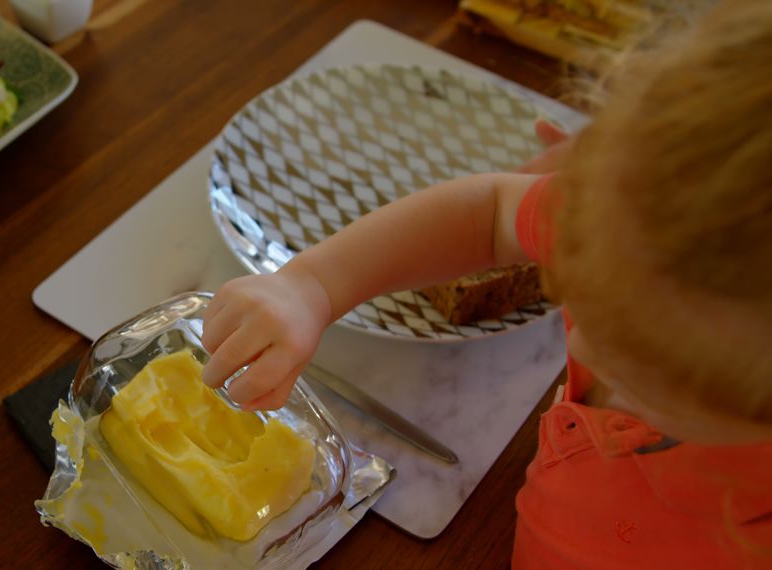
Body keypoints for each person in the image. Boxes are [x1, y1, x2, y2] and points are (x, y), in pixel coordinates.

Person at [198, 0, 772, 566]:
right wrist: (313, 286)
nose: (579, 347)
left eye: (648, 362)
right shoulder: (653, 213)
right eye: (580, 282)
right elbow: (491, 209)